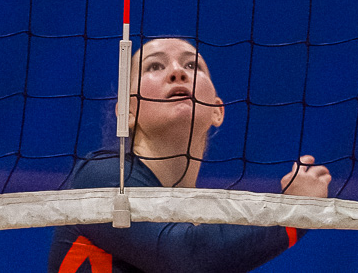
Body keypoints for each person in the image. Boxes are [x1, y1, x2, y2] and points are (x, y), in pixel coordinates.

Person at [48, 37, 331, 273]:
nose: (177, 72)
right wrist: (294, 210)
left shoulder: (202, 224)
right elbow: (186, 255)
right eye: (155, 66)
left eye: (192, 65)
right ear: (127, 112)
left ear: (217, 111)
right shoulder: (102, 176)